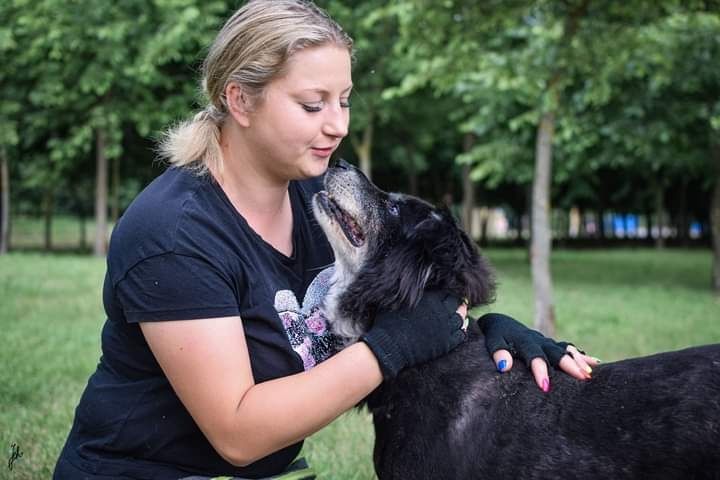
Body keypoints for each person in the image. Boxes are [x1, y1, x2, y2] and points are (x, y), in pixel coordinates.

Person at [53, 1, 598, 478]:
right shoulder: (175, 235)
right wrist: (394, 347)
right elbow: (239, 433)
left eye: (345, 100)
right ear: (239, 101)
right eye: (314, 105)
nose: (338, 125)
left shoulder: (317, 197)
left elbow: (407, 299)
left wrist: (488, 334)